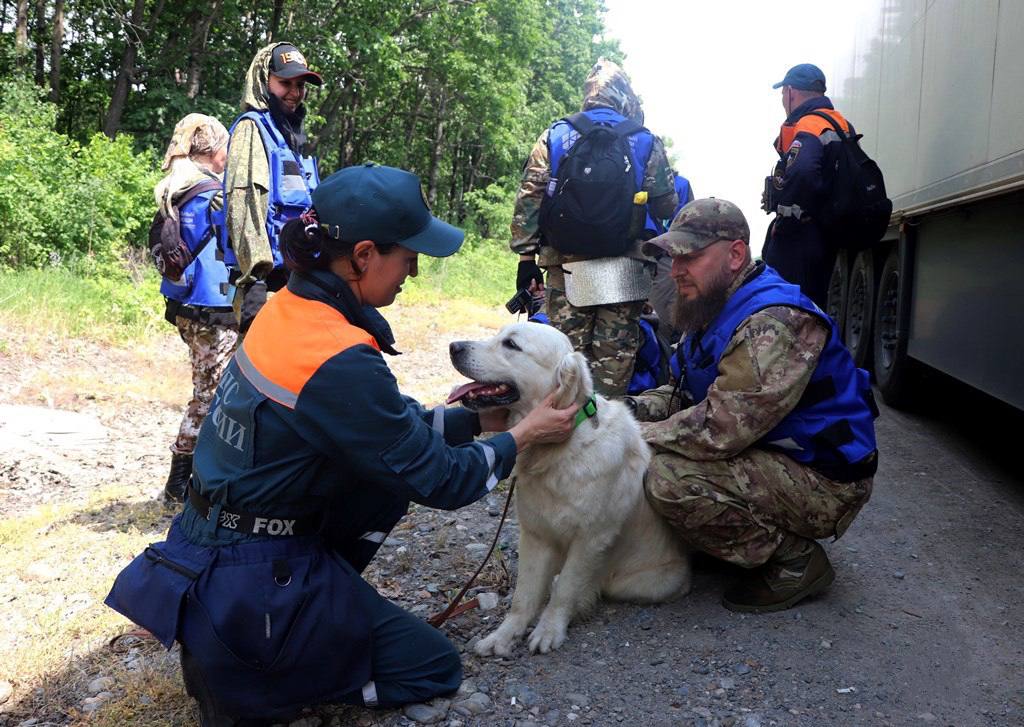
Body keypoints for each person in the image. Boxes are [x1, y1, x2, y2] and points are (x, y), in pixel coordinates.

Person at [106, 163, 579, 725]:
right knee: (431, 667)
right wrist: (522, 436)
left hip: (215, 544)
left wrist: (480, 422)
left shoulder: (290, 307)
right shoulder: (337, 357)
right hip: (250, 571)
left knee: (382, 477)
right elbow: (441, 480)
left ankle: (260, 637)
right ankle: (262, 670)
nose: (414, 272)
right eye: (408, 257)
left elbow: (387, 427)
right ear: (362, 256)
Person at [626, 198, 877, 613]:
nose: (676, 271)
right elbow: (680, 395)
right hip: (775, 455)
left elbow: (719, 429)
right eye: (673, 258)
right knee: (649, 451)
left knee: (666, 477)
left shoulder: (773, 320)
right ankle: (729, 535)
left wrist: (628, 436)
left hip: (827, 480)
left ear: (736, 254)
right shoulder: (713, 309)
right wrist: (621, 410)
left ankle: (795, 560)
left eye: (690, 257)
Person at [512, 58, 677, 397]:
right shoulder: (644, 140)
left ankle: (557, 433)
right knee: (611, 363)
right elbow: (665, 204)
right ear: (623, 96)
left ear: (587, 94)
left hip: (567, 262)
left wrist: (525, 257)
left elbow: (531, 195)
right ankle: (602, 434)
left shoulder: (556, 133)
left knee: (565, 357)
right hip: (624, 264)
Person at [153, 114, 239, 503]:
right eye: (225, 147)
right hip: (212, 308)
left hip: (186, 305)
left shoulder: (177, 189)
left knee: (211, 389)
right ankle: (180, 481)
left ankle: (199, 475)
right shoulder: (212, 193)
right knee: (210, 393)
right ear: (214, 151)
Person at [220, 42, 322, 334]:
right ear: (263, 82)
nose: (294, 92)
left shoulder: (289, 135)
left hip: (296, 277)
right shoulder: (252, 129)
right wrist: (255, 279)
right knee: (261, 372)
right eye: (284, 83)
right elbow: (243, 203)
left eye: (300, 84)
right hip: (265, 283)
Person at [761, 63, 853, 307]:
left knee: (782, 304)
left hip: (802, 236)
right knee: (812, 306)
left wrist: (786, 220)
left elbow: (802, 172)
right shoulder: (841, 124)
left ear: (790, 91)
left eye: (783, 94)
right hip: (827, 233)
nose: (782, 99)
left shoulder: (809, 123)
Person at [649, 169, 695, 345]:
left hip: (663, 255)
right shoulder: (680, 183)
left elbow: (685, 226)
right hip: (659, 256)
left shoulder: (680, 184)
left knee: (663, 320)